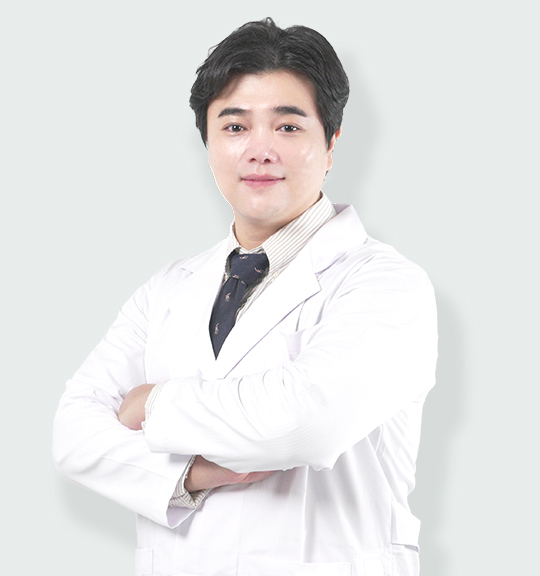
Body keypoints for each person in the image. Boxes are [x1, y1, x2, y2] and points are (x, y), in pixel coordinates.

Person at [53, 17, 437, 576]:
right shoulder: (166, 289)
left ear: (331, 143)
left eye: (288, 127)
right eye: (234, 127)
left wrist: (152, 404)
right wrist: (189, 475)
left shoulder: (386, 285)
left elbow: (308, 423)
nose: (259, 150)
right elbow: (73, 435)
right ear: (207, 144)